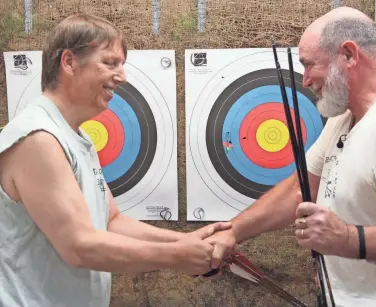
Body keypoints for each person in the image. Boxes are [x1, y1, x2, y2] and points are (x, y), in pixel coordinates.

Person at [0, 14, 231, 307]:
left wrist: (185, 241)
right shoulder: (38, 138)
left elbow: (110, 222)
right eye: (110, 63)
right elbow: (79, 246)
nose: (122, 76)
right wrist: (176, 257)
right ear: (69, 62)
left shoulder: (74, 136)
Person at [206, 6, 376, 307]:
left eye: (310, 65)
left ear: (349, 55)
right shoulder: (346, 118)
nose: (305, 81)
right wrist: (233, 231)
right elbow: (300, 189)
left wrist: (347, 239)